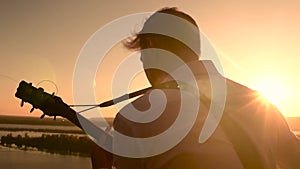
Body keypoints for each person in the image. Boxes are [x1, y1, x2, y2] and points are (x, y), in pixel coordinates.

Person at [91, 7, 300, 169]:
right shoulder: (258, 103)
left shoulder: (134, 118)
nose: (143, 62)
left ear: (152, 44)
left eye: (142, 53)